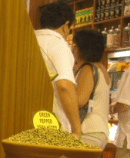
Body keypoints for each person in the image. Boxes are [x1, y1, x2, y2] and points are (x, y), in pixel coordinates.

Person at [35, 1, 82, 138]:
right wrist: (77, 130)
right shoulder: (58, 44)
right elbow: (64, 86)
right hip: (51, 126)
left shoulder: (26, 40)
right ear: (65, 26)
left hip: (19, 122)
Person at [72, 29, 110, 149]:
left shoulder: (88, 69)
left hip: (88, 131)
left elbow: (79, 101)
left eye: (75, 46)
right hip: (99, 130)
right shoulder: (101, 68)